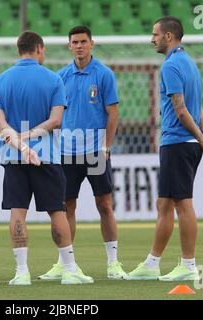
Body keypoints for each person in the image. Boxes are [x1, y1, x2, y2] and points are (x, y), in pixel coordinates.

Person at [0, 30, 93, 285]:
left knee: (17, 212)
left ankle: (22, 272)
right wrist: (31, 135)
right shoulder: (53, 79)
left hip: (13, 157)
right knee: (57, 211)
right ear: (39, 48)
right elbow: (56, 120)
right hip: (46, 156)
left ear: (18, 50)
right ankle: (69, 270)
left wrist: (18, 140)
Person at [125, 17, 203, 281]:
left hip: (178, 142)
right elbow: (196, 105)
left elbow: (180, 109)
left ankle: (188, 266)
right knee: (164, 203)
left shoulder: (170, 66)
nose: (151, 39)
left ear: (169, 36)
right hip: (185, 141)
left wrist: (201, 136)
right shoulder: (190, 64)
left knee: (182, 204)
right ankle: (152, 263)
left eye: (155, 34)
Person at [38, 25, 127, 281]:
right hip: (66, 152)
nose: (79, 46)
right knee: (66, 208)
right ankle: (64, 263)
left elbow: (113, 113)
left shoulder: (104, 75)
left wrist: (106, 145)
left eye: (83, 41)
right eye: (74, 42)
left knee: (104, 204)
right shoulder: (60, 77)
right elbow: (54, 115)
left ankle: (113, 263)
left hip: (95, 151)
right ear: (69, 46)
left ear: (92, 44)